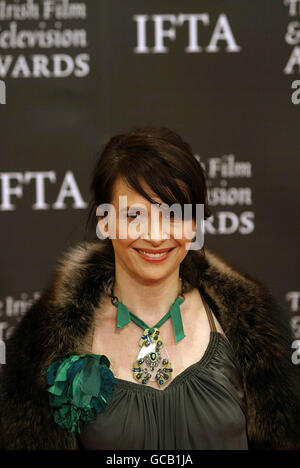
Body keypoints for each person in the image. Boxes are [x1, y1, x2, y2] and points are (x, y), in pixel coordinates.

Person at [0, 126, 299, 450]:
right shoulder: (48, 344)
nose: (156, 236)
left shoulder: (252, 325)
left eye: (174, 214)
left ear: (195, 222)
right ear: (105, 222)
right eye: (134, 216)